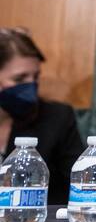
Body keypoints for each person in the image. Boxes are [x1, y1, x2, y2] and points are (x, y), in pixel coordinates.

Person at [0, 27, 85, 204]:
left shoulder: (56, 118)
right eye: (20, 79)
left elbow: (82, 186)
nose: (31, 86)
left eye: (36, 77)